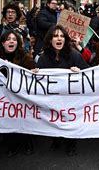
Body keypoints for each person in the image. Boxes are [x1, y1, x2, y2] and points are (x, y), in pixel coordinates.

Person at [34, 25, 88, 156]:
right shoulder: (43, 58)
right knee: (54, 119)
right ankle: (56, 139)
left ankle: (71, 143)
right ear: (49, 40)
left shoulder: (74, 55)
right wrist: (34, 73)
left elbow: (88, 73)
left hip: (71, 99)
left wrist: (79, 72)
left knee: (69, 120)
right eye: (55, 36)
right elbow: (38, 80)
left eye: (62, 36)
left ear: (65, 40)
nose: (59, 38)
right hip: (53, 98)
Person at [0, 30, 36, 156]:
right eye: (8, 39)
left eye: (14, 39)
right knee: (9, 121)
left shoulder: (24, 56)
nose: (11, 41)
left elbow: (32, 66)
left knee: (22, 118)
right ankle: (11, 145)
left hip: (20, 96)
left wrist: (34, 69)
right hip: (2, 96)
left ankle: (27, 142)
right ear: (2, 43)